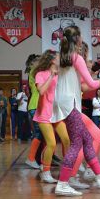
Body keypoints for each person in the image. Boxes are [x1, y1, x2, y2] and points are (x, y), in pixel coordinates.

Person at [52, 26, 100, 196]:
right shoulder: (76, 58)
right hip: (70, 103)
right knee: (77, 143)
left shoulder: (64, 57)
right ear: (77, 39)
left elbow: (84, 84)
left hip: (64, 102)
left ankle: (99, 176)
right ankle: (63, 183)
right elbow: (91, 84)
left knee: (86, 138)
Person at [32, 50, 71, 183]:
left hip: (57, 113)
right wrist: (51, 76)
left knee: (66, 140)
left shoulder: (61, 74)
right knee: (52, 144)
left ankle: (67, 168)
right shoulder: (40, 74)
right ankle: (46, 172)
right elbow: (42, 91)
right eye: (58, 57)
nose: (61, 58)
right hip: (44, 114)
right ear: (52, 60)